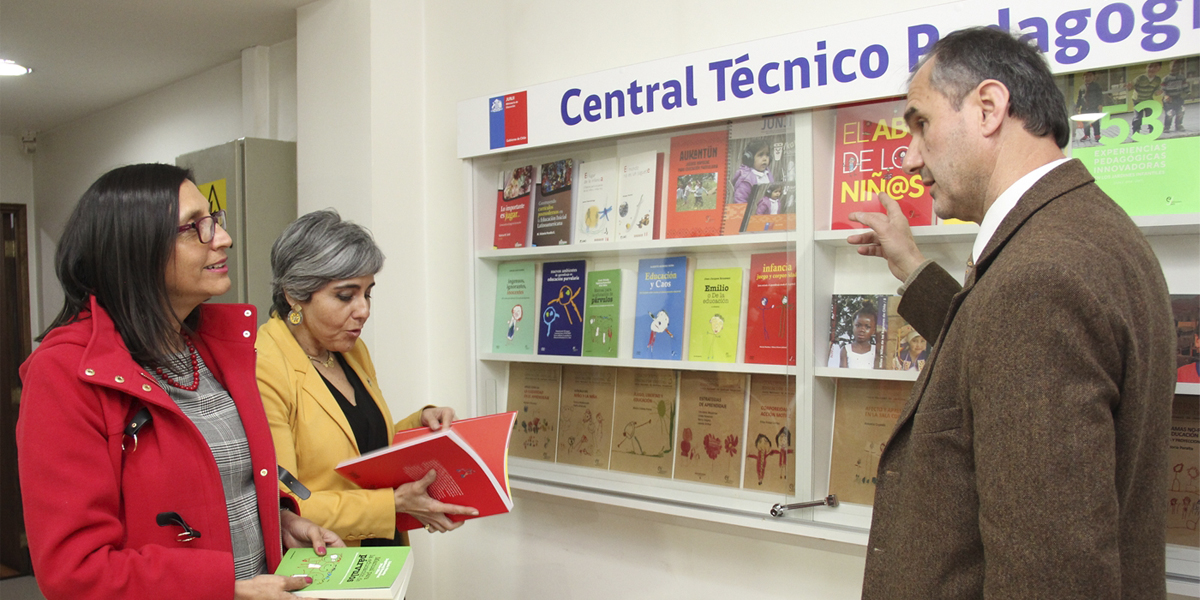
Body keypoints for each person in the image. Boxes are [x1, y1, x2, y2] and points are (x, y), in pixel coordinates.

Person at [846, 27, 1174, 599]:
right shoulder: (1087, 230)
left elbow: (1053, 573)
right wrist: (913, 269)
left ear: (990, 107)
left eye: (921, 122)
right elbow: (992, 348)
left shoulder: (1037, 279)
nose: (909, 153)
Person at [17, 164, 343, 600]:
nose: (222, 239)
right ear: (135, 249)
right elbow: (74, 571)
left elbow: (227, 483)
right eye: (194, 229)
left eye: (214, 221)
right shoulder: (64, 373)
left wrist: (280, 522)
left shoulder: (216, 348)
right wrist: (225, 588)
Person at [255, 209, 478, 545]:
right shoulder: (264, 366)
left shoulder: (349, 349)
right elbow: (284, 503)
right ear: (294, 294)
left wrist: (420, 424)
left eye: (367, 293)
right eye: (346, 296)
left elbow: (362, 448)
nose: (363, 310)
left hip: (384, 553)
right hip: (327, 562)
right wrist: (392, 504)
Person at [827, 302, 878, 368]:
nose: (862, 330)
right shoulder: (846, 350)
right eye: (858, 325)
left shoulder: (876, 351)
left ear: (874, 330)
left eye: (867, 327)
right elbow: (843, 375)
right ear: (853, 326)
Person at [730, 138, 773, 204]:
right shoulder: (746, 179)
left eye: (767, 155)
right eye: (760, 155)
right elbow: (740, 200)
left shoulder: (767, 174)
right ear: (750, 158)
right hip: (751, 212)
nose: (765, 159)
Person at [1128, 61, 1162, 135]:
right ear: (1146, 68)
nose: (1152, 69)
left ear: (1159, 69)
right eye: (1150, 66)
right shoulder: (1141, 78)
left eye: (1155, 67)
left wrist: (1158, 92)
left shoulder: (1157, 79)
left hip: (1148, 100)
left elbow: (1156, 91)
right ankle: (1136, 132)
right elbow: (1132, 86)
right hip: (1138, 100)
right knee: (1138, 117)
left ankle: (1152, 132)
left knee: (1150, 116)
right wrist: (1129, 87)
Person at [1161, 59, 1189, 134]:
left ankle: (1179, 125)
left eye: (1177, 66)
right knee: (1169, 113)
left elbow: (1185, 87)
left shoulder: (1182, 77)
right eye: (1173, 66)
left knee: (1181, 111)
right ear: (1170, 67)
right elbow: (1162, 90)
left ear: (1180, 67)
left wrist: (1188, 93)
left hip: (1178, 97)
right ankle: (1167, 126)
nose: (1174, 68)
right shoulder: (1166, 78)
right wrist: (1165, 96)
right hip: (1169, 98)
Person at [1074, 71, 1103, 141]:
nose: (1088, 78)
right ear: (1083, 78)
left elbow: (1100, 96)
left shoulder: (1096, 86)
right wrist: (1077, 106)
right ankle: (1086, 135)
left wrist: (1100, 104)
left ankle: (1097, 135)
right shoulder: (1081, 87)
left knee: (1095, 122)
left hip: (1093, 107)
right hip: (1084, 108)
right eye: (1086, 77)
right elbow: (1079, 98)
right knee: (1085, 122)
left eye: (1090, 76)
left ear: (1093, 77)